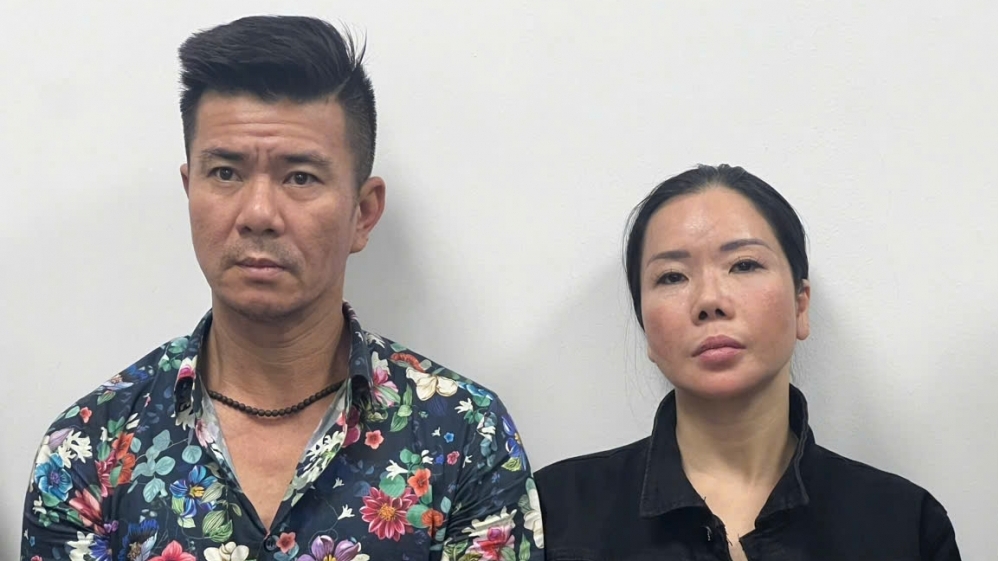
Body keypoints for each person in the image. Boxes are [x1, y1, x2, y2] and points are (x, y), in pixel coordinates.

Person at [21, 16, 543, 561]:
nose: (258, 214)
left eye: (300, 177)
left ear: (363, 214)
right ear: (190, 190)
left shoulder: (465, 434)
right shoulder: (89, 446)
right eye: (225, 172)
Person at [535, 164, 959, 560]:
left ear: (800, 306)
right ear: (645, 325)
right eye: (672, 276)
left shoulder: (905, 525)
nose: (709, 300)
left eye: (743, 265)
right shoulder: (553, 514)